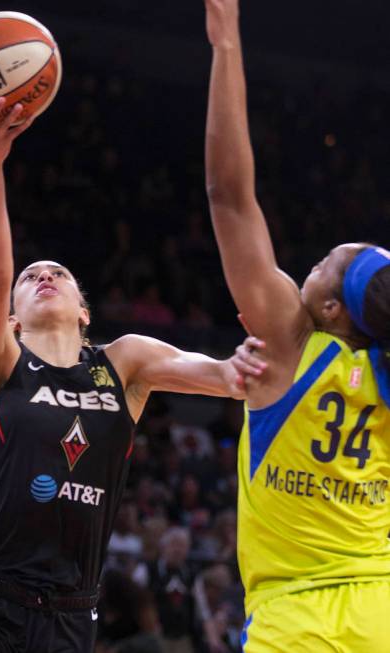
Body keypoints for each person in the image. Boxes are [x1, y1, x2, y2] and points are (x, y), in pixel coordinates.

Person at [0, 96, 264, 653]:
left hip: (71, 613)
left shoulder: (123, 361)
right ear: (11, 317)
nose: (45, 276)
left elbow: (216, 373)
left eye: (59, 273)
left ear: (85, 310)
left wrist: (241, 367)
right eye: (32, 275)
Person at [203, 0, 390, 651]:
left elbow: (229, 195)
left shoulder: (287, 340)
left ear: (333, 310)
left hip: (296, 615)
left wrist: (226, 40)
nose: (305, 268)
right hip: (381, 605)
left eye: (317, 266)